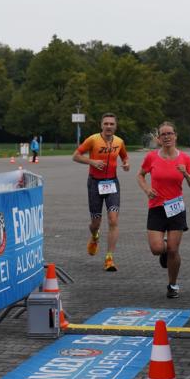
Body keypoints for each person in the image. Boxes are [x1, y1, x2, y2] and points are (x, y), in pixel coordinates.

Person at [137, 121, 190, 298]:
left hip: (176, 209)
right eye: (163, 134)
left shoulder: (185, 158)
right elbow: (140, 175)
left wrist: (185, 173)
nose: (166, 137)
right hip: (156, 207)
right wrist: (147, 189)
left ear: (175, 136)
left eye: (169, 133)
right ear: (158, 138)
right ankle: (164, 248)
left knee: (173, 250)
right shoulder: (151, 157)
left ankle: (172, 284)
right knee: (157, 249)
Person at [72, 113, 130, 272]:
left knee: (113, 220)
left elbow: (125, 157)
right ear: (101, 125)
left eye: (112, 124)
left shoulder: (119, 142)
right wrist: (92, 161)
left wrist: (126, 164)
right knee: (95, 223)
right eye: (106, 123)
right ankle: (95, 236)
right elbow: (75, 156)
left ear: (115, 126)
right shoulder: (93, 139)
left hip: (112, 183)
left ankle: (109, 258)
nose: (109, 126)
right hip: (95, 183)